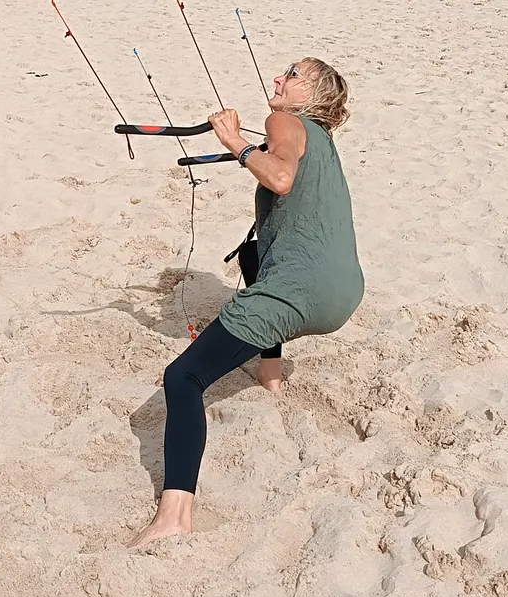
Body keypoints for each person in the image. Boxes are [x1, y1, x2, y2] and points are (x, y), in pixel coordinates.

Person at [129, 58, 364, 547]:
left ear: (312, 95)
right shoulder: (322, 139)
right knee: (253, 253)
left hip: (300, 291)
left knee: (182, 378)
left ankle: (174, 516)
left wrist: (235, 141)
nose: (278, 78)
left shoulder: (285, 121)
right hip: (344, 292)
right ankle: (270, 375)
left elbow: (279, 178)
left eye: (293, 75)